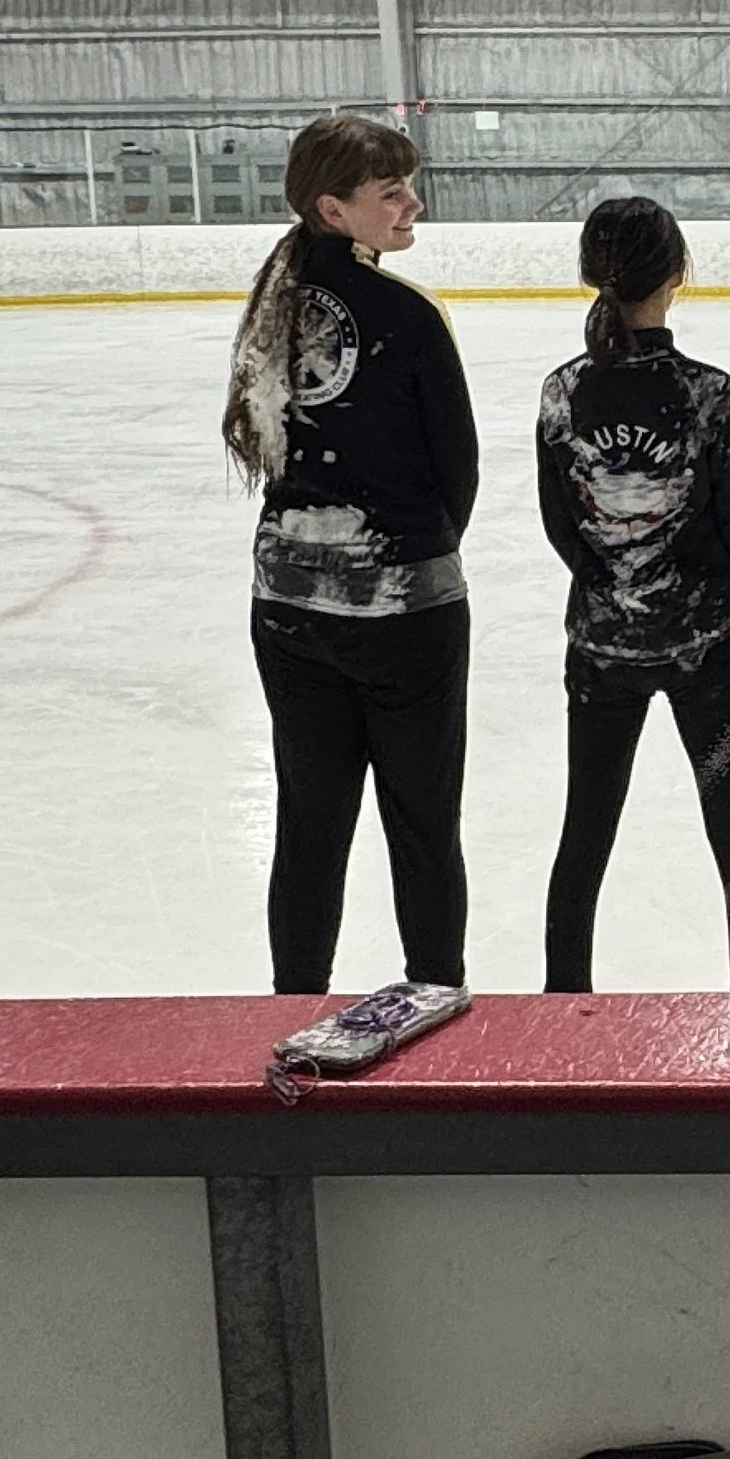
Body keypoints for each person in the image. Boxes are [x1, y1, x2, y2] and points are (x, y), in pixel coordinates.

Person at [222, 112, 477, 1002]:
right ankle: (434, 996)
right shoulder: (407, 313)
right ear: (334, 208)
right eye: (392, 192)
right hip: (404, 612)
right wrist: (408, 564)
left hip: (288, 609)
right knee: (423, 821)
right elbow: (457, 469)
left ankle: (296, 1002)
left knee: (310, 821)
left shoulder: (272, 307)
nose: (414, 204)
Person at [537, 196, 730, 993]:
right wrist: (720, 619)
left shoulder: (562, 392)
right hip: (706, 649)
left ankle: (563, 993)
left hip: (601, 648)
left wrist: (615, 588)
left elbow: (562, 524)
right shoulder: (712, 394)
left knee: (585, 831)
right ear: (677, 273)